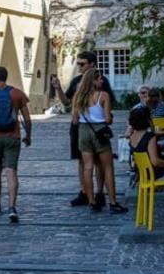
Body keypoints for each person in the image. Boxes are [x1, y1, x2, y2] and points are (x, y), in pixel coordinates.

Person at [49, 51, 115, 209]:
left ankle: (98, 194)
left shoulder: (101, 80)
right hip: (82, 127)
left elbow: (106, 102)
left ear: (92, 64)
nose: (79, 66)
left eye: (82, 63)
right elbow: (67, 102)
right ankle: (86, 193)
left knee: (95, 163)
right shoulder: (76, 81)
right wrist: (58, 88)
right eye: (78, 63)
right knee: (84, 161)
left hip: (87, 127)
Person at [0, 65, 33, 222]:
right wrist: (28, 135)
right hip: (13, 137)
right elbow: (27, 118)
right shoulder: (17, 93)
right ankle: (12, 207)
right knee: (11, 171)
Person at [72, 68, 127, 214]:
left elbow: (75, 120)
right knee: (108, 167)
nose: (102, 81)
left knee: (88, 167)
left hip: (83, 131)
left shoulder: (78, 96)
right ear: (94, 81)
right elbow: (108, 119)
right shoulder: (103, 96)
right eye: (99, 79)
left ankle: (92, 202)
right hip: (99, 130)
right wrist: (107, 117)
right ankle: (113, 202)